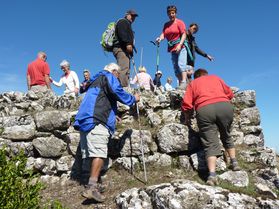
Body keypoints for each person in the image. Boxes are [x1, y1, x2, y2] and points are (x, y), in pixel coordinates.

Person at [73, 63, 140, 202]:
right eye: (118, 74)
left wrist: (112, 114)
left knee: (92, 154)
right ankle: (92, 187)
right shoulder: (108, 76)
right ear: (114, 71)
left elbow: (100, 99)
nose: (118, 77)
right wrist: (133, 99)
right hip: (97, 120)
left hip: (85, 120)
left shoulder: (95, 81)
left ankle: (92, 184)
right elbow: (117, 91)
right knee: (99, 153)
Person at [181, 69, 240, 186]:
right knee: (226, 134)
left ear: (196, 76)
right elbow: (230, 93)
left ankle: (212, 175)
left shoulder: (193, 83)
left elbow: (187, 103)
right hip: (224, 106)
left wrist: (187, 117)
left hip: (204, 109)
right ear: (206, 74)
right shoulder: (216, 78)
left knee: (210, 142)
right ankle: (234, 162)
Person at [156, 5, 188, 90]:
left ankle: (184, 82)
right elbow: (164, 34)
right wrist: (160, 38)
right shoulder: (166, 25)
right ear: (167, 14)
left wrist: (180, 45)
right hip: (172, 49)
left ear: (175, 13)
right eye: (169, 13)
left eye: (173, 13)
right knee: (176, 68)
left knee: (181, 64)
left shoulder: (179, 22)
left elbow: (184, 34)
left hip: (180, 47)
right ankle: (181, 83)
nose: (171, 15)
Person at [112, 9, 138, 87]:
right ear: (127, 14)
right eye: (132, 15)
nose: (133, 18)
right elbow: (122, 34)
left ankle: (123, 87)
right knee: (123, 69)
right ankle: (122, 88)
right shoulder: (123, 21)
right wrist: (128, 44)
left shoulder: (126, 23)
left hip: (123, 49)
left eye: (134, 16)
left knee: (125, 69)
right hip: (121, 49)